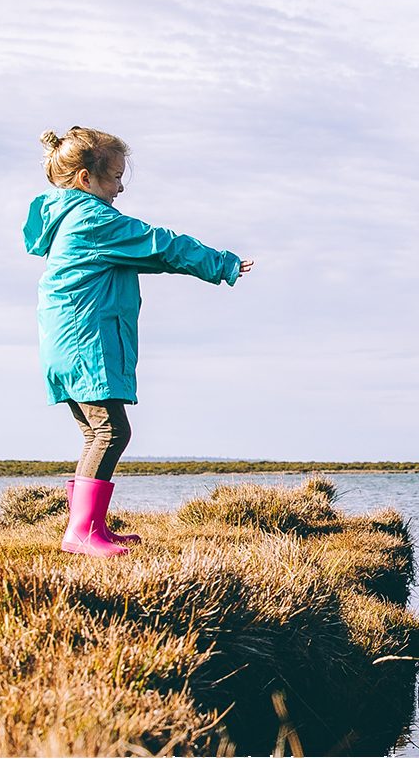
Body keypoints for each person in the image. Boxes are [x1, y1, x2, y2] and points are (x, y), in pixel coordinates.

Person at [24, 127, 253, 556]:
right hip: (85, 341)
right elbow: (159, 245)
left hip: (66, 344)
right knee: (111, 431)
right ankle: (81, 532)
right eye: (113, 176)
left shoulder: (69, 219)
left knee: (96, 433)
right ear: (85, 180)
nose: (120, 186)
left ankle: (91, 527)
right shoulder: (94, 220)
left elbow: (151, 257)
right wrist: (221, 263)